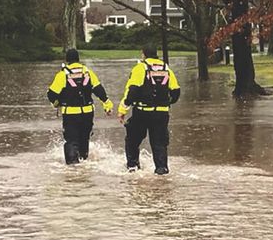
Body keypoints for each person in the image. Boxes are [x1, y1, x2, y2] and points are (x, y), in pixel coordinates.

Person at [117, 45, 180, 175]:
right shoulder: (166, 68)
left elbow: (132, 91)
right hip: (162, 113)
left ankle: (133, 168)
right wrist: (167, 103)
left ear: (143, 54)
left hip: (142, 112)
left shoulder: (140, 68)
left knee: (132, 140)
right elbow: (176, 91)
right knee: (160, 143)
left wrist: (123, 110)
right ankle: (161, 170)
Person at [47, 48, 113, 165]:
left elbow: (51, 94)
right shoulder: (88, 73)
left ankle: (73, 169)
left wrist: (57, 103)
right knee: (84, 139)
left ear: (67, 60)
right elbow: (99, 90)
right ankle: (84, 162)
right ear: (78, 59)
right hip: (87, 113)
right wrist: (107, 105)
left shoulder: (63, 74)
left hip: (70, 114)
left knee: (71, 141)